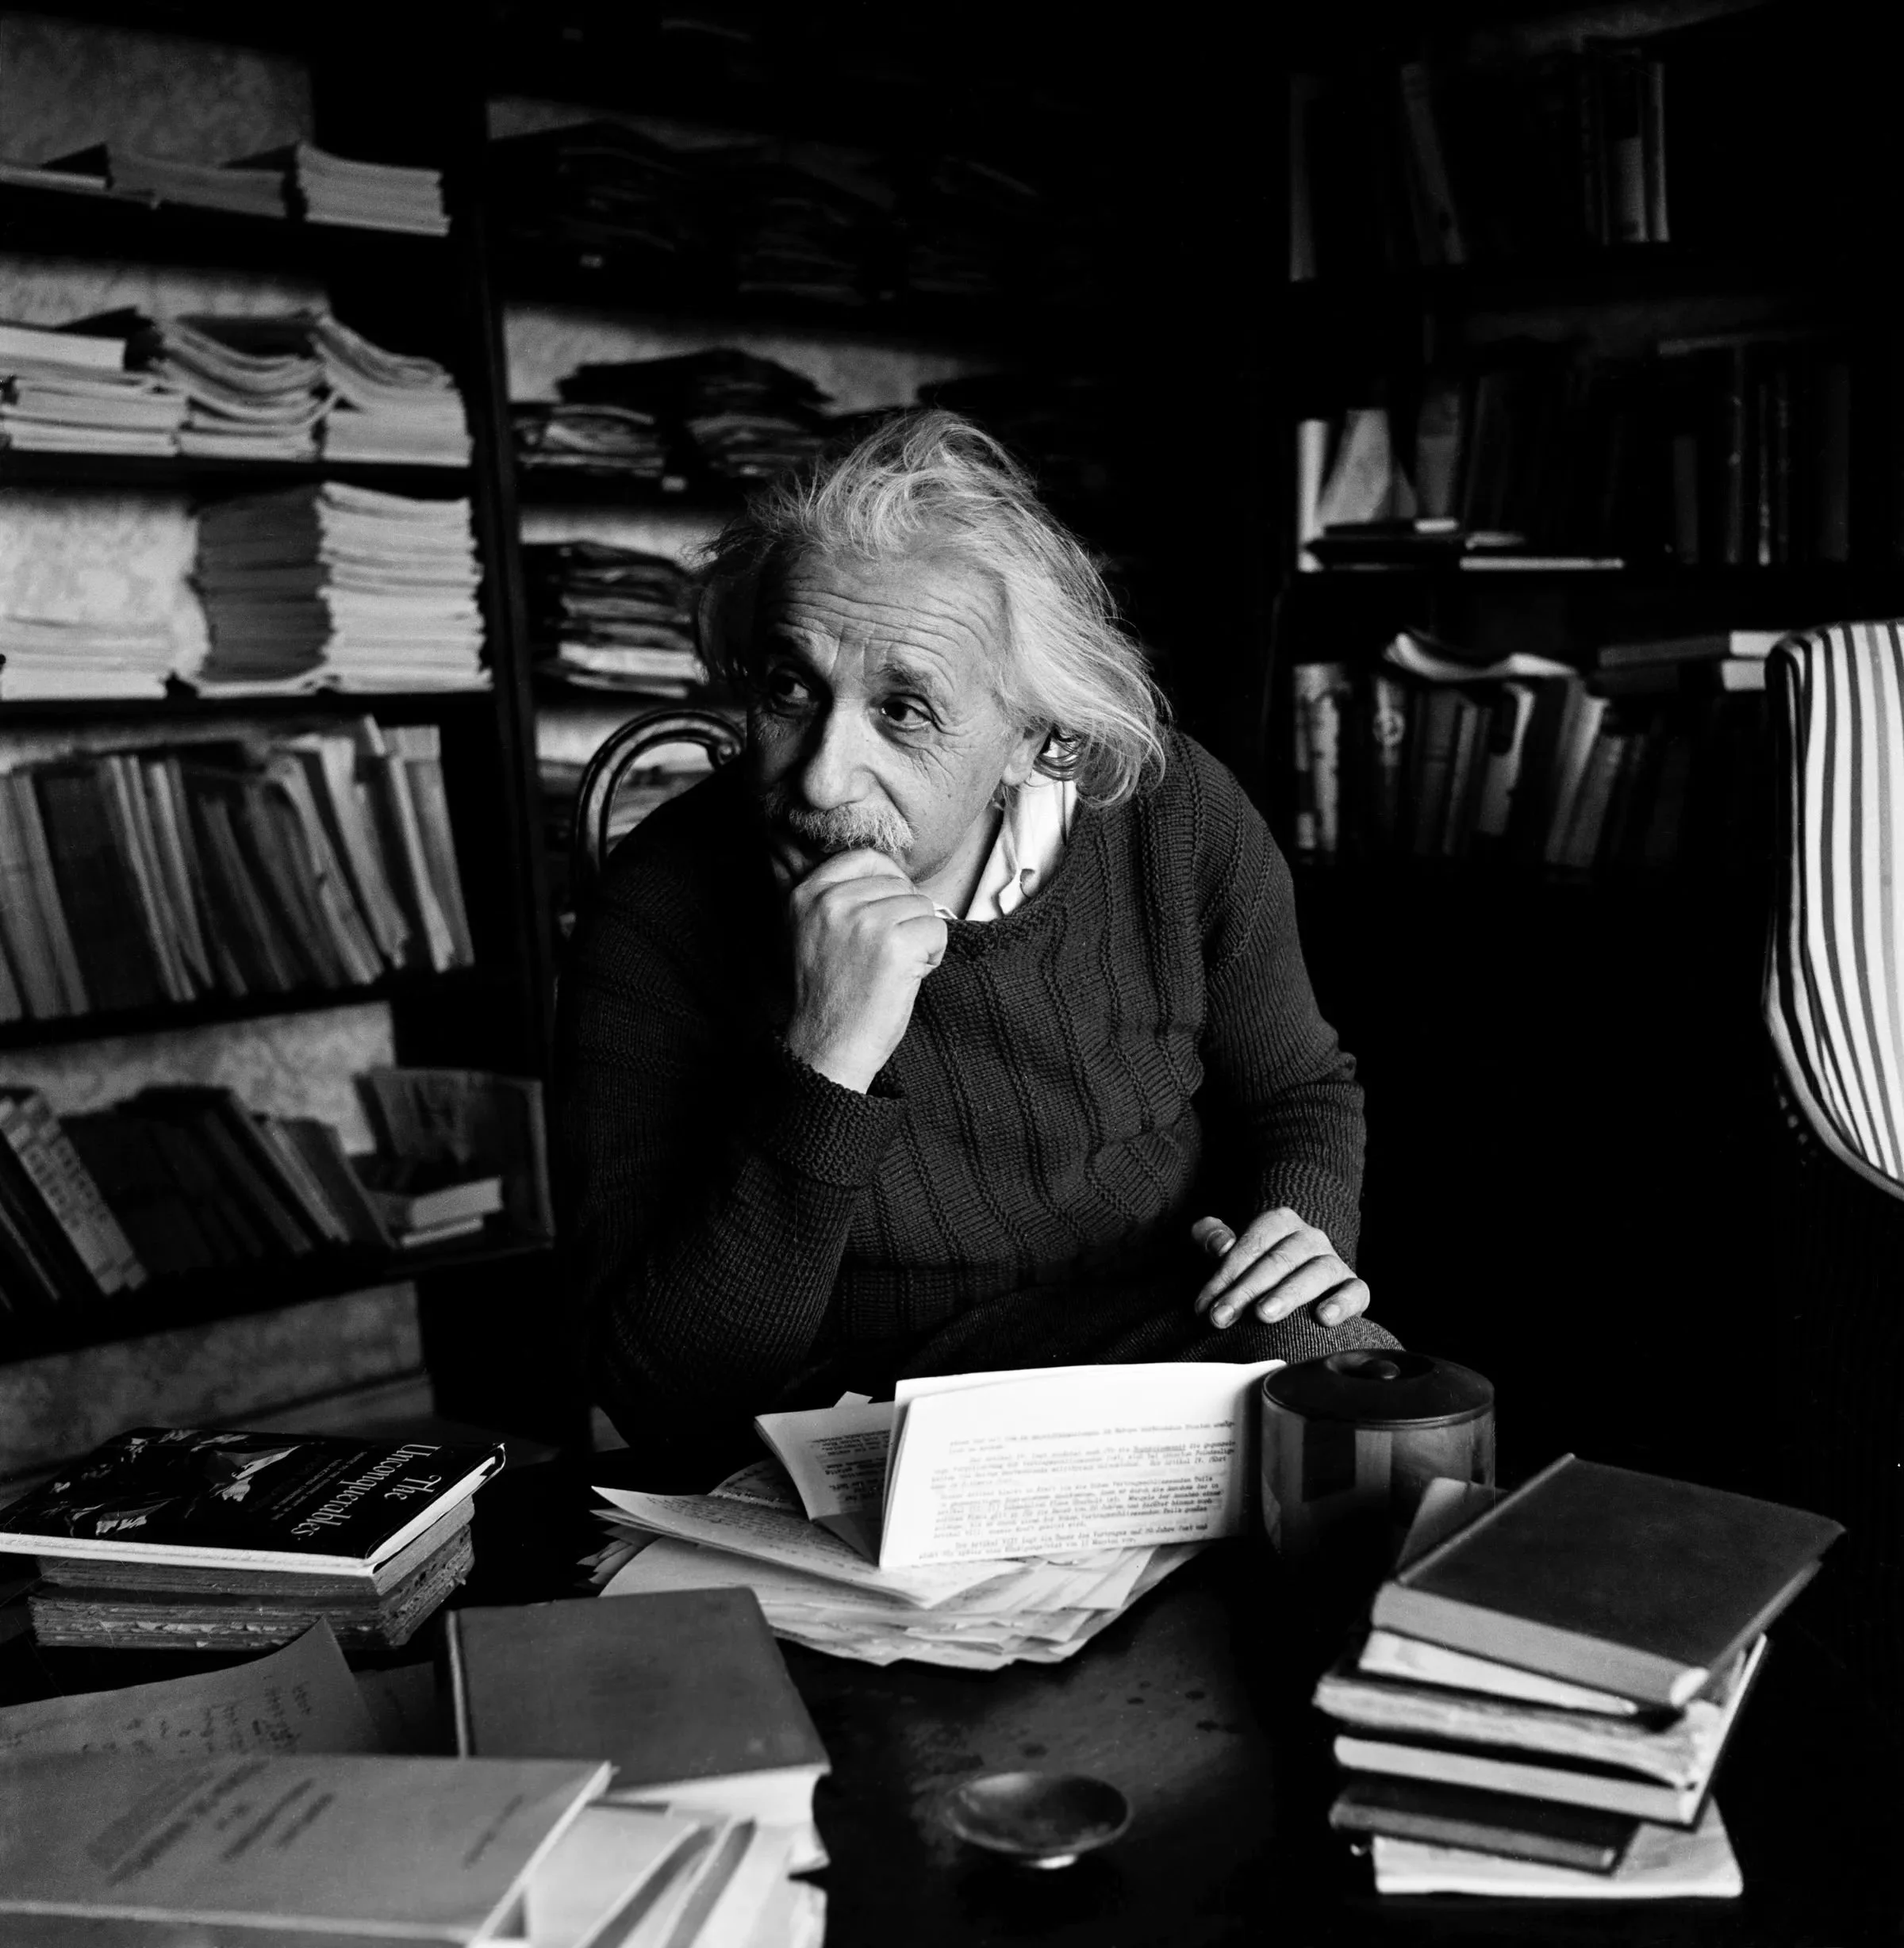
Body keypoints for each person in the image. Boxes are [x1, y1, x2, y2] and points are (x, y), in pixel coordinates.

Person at [555, 410, 1396, 1477]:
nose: (819, 778)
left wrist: (1297, 1236)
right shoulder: (662, 906)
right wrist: (825, 1062)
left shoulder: (1174, 817)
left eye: (904, 709)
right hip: (847, 1423)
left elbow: (1300, 1090)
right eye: (788, 688)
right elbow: (665, 1397)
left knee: (1357, 1407)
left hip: (1141, 1350)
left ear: (1035, 740)